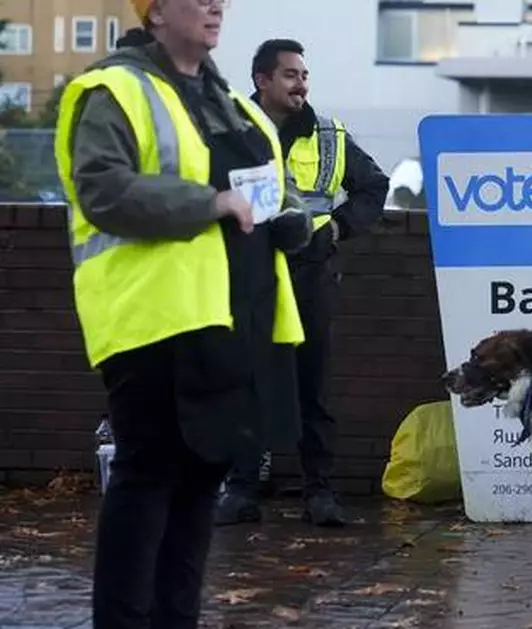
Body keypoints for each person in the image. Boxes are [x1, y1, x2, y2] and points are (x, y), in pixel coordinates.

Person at [54, 0, 314, 625]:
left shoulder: (230, 101)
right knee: (148, 480)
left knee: (201, 485)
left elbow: (274, 190)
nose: (214, 4)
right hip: (152, 319)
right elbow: (103, 188)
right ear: (156, 12)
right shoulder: (112, 89)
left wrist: (293, 218)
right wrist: (211, 202)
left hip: (233, 323)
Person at [214, 38, 389, 527]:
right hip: (249, 275)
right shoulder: (232, 131)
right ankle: (243, 488)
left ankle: (321, 492)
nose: (301, 84)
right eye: (290, 75)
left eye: (304, 75)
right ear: (262, 81)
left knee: (313, 386)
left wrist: (336, 229)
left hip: (310, 274)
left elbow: (374, 186)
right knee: (246, 382)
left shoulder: (329, 135)